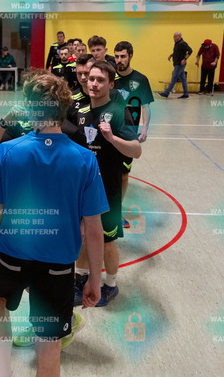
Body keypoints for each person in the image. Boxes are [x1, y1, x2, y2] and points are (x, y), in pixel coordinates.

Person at [0, 70, 108, 377]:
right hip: (57, 266)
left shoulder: (6, 152)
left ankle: (3, 368)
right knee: (49, 344)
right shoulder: (85, 160)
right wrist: (94, 279)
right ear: (64, 108)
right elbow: (94, 229)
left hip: (10, 256)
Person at [69, 61, 141, 308]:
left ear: (111, 84)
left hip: (107, 190)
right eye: (91, 78)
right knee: (81, 236)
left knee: (107, 242)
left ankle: (110, 285)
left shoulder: (123, 111)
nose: (94, 84)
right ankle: (80, 280)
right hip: (80, 189)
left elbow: (137, 150)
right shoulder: (77, 109)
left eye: (100, 80)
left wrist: (112, 138)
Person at [113, 41, 154, 227]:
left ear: (130, 56)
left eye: (123, 56)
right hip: (108, 128)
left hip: (129, 129)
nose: (119, 60)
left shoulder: (141, 79)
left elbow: (145, 106)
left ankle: (117, 211)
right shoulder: (109, 76)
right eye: (116, 56)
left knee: (123, 175)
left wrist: (144, 128)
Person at [158, 32, 192, 99]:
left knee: (174, 78)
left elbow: (190, 51)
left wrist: (185, 59)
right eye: (174, 36)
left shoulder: (183, 43)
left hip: (180, 64)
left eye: (175, 36)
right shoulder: (177, 43)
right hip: (177, 63)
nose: (174, 38)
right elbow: (178, 52)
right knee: (183, 79)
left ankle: (166, 93)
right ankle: (186, 94)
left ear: (179, 37)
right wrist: (171, 55)